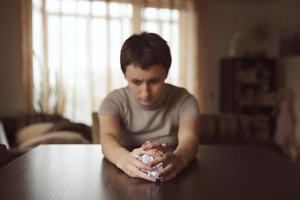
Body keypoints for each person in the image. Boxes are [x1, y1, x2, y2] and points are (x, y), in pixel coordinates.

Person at [99, 32, 200, 182]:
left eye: (154, 81)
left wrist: (180, 159)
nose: (145, 92)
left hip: (172, 169)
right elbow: (108, 137)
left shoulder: (185, 100)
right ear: (125, 76)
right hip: (127, 171)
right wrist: (123, 159)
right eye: (136, 82)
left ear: (166, 73)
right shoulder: (113, 101)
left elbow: (190, 138)